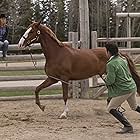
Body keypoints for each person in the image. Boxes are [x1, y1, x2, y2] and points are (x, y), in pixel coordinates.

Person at [104, 43, 140, 134]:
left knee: (111, 108)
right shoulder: (122, 59)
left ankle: (128, 126)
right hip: (132, 87)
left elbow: (110, 81)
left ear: (109, 52)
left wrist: (105, 78)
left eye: (106, 51)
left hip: (124, 90)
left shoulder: (111, 64)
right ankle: (128, 126)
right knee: (134, 107)